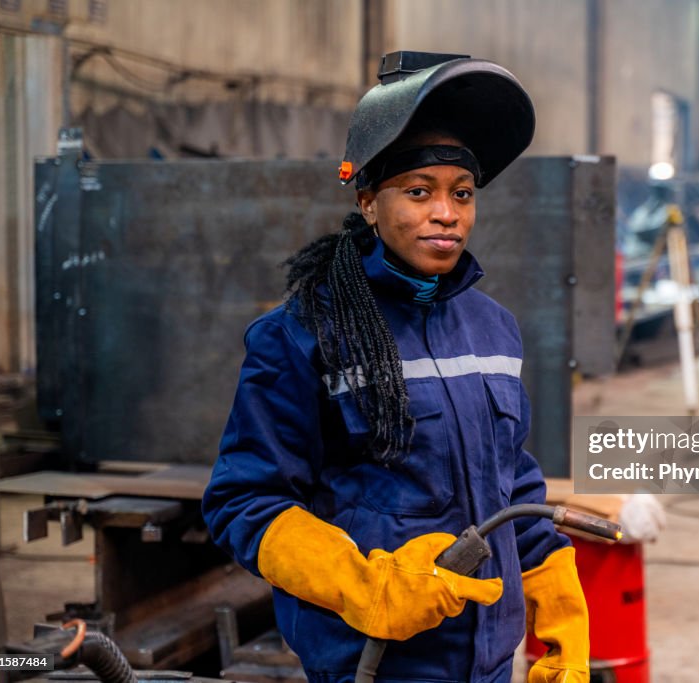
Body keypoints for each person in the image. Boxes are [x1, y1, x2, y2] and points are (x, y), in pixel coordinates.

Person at [201, 52, 590, 683]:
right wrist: (366, 585)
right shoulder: (302, 333)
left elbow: (512, 487)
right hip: (375, 662)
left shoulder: (495, 329)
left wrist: (558, 611)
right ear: (368, 203)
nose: (447, 212)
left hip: (489, 661)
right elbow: (244, 500)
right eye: (419, 192)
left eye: (462, 194)